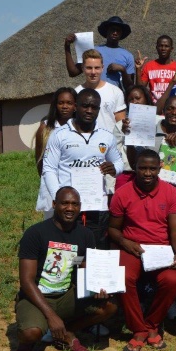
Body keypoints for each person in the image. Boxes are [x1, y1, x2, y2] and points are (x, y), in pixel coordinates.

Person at [15, 187, 117, 351]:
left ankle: (67, 331)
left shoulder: (85, 235)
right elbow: (26, 280)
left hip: (66, 295)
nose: (70, 208)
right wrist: (51, 316)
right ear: (54, 204)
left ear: (80, 207)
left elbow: (81, 264)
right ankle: (27, 344)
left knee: (110, 306)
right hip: (36, 296)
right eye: (65, 203)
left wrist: (99, 285)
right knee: (31, 333)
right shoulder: (35, 233)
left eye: (74, 204)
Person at [108, 150, 176, 351]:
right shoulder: (122, 193)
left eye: (152, 168)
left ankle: (152, 325)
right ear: (135, 169)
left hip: (160, 249)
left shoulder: (170, 192)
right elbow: (113, 229)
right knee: (123, 277)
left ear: (160, 168)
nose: (148, 173)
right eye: (143, 168)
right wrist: (126, 242)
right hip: (133, 248)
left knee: (172, 280)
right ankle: (138, 330)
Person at [42, 88, 124, 249]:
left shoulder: (106, 136)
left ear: (99, 109)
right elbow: (49, 169)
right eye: (85, 106)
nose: (89, 110)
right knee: (65, 253)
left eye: (94, 107)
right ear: (75, 107)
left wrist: (114, 168)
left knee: (95, 252)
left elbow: (119, 162)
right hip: (69, 208)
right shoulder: (59, 135)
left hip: (97, 206)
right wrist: (58, 197)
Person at [123, 96, 176, 177]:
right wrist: (129, 136)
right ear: (163, 111)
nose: (174, 112)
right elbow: (134, 163)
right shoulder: (149, 131)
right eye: (170, 108)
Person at [35, 88, 77, 218]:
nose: (65, 106)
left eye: (69, 103)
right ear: (55, 105)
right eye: (61, 103)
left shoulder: (80, 128)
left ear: (76, 106)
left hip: (74, 182)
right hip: (51, 184)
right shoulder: (45, 127)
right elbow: (39, 161)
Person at [64, 16, 135, 89]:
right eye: (112, 29)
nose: (115, 33)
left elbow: (130, 86)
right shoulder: (93, 51)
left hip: (114, 97)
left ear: (121, 34)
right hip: (93, 96)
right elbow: (73, 72)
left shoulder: (128, 56)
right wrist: (67, 46)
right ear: (107, 31)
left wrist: (122, 70)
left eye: (118, 30)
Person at [74, 49, 127, 131]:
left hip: (110, 141)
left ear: (102, 68)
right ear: (83, 68)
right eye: (89, 68)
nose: (93, 72)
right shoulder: (76, 92)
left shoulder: (115, 92)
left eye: (97, 68)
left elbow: (121, 124)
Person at [113, 85, 153, 191]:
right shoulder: (120, 125)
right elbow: (115, 154)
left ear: (146, 99)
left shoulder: (158, 121)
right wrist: (126, 133)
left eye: (138, 98)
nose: (134, 102)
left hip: (152, 175)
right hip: (127, 174)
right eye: (131, 99)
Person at [135, 35, 176, 105]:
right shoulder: (149, 66)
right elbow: (140, 90)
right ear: (156, 48)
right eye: (160, 46)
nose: (163, 48)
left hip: (171, 108)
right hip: (153, 107)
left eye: (166, 46)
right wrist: (138, 69)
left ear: (171, 49)